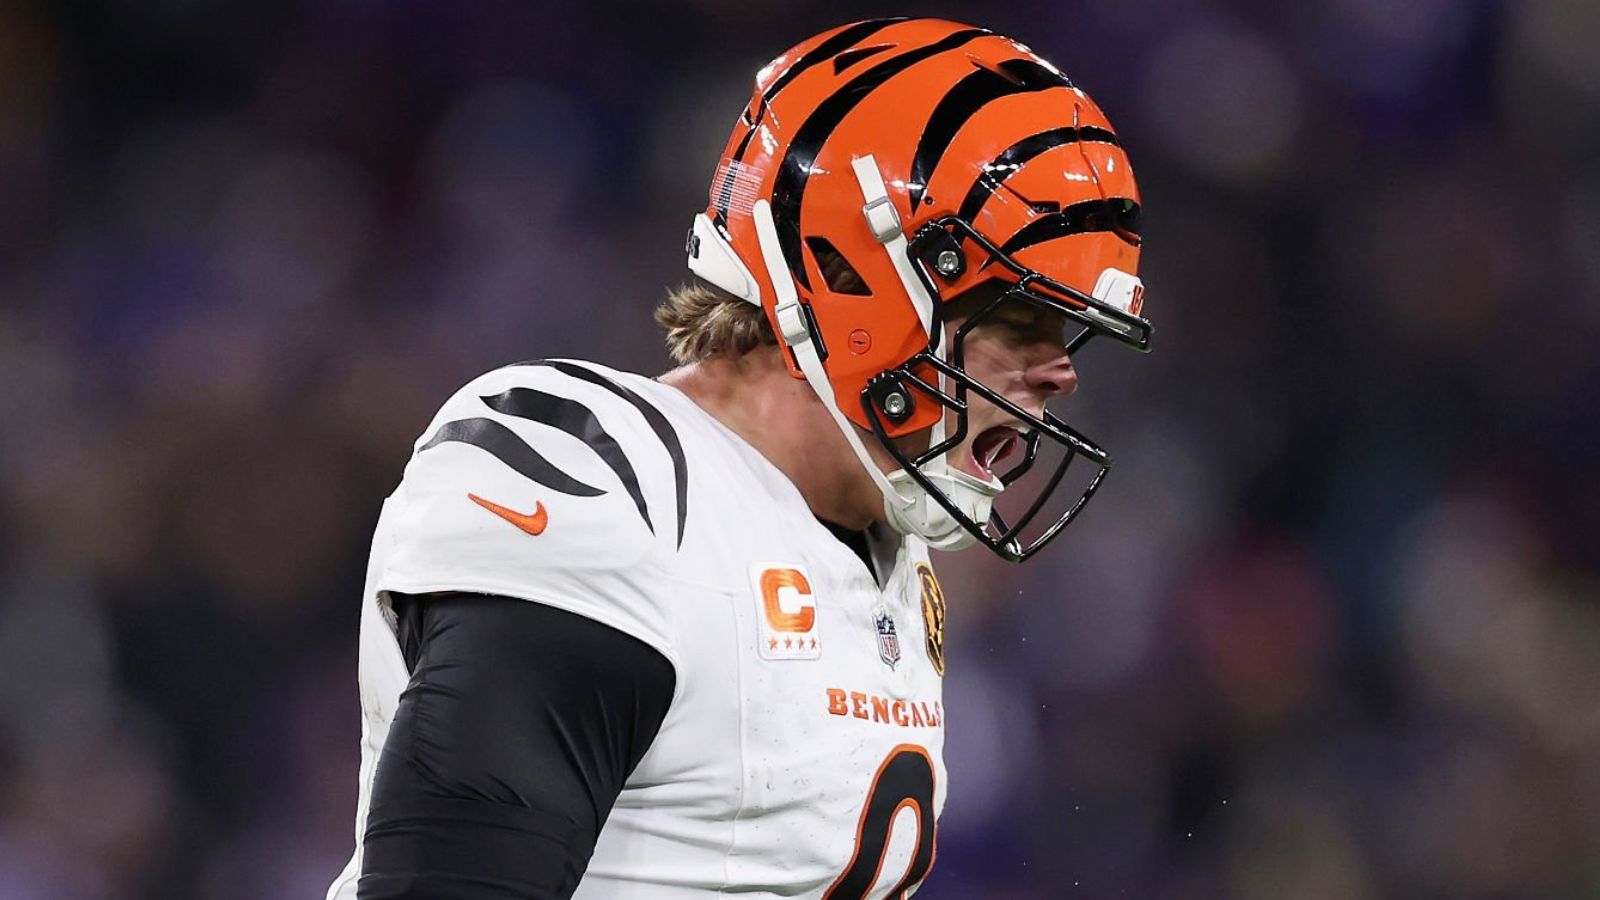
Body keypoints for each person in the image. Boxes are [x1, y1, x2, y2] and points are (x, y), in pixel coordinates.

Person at [325, 16, 1151, 900]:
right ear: (859, 276)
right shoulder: (610, 480)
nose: (1061, 372)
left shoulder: (889, 567)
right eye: (1021, 316)